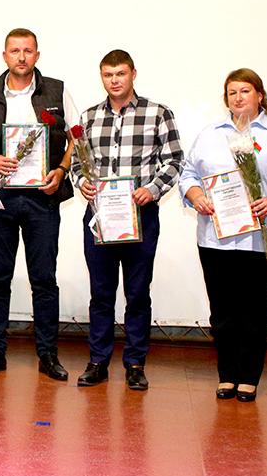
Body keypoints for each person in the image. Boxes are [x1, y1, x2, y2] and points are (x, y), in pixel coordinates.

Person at [181, 68, 267, 401]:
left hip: (262, 238)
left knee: (253, 309)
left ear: (260, 95)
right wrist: (196, 196)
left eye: (245, 91)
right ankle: (227, 375)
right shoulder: (209, 135)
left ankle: (249, 376)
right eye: (232, 93)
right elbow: (188, 173)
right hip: (215, 239)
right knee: (222, 310)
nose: (238, 98)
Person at [71, 50, 185, 392]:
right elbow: (77, 163)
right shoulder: (88, 117)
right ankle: (98, 362)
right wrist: (82, 182)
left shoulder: (158, 113)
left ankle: (135, 363)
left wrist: (152, 189)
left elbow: (175, 161)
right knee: (101, 293)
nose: (115, 80)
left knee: (137, 293)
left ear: (133, 73)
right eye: (108, 75)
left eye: (120, 73)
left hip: (141, 214)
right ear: (101, 77)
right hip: (100, 216)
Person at [0, 28, 73, 381]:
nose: (21, 56)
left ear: (37, 55)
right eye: (14, 51)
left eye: (27, 51)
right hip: (0, 198)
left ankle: (48, 354)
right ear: (4, 56)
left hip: (41, 199)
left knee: (44, 279)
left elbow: (77, 138)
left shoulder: (57, 91)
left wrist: (61, 170)